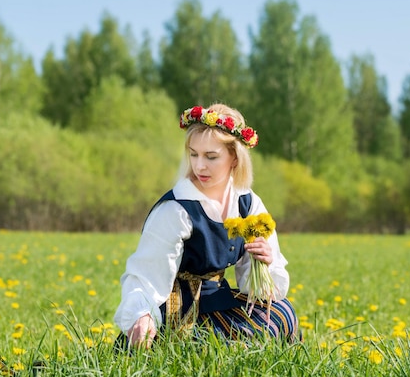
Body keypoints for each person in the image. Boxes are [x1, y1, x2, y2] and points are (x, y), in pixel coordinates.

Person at [113, 103, 300, 348]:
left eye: (211, 157)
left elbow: (253, 289)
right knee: (220, 344)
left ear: (234, 158)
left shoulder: (246, 203)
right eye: (194, 154)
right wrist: (141, 315)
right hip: (174, 311)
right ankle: (202, 353)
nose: (200, 165)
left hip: (216, 301)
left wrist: (265, 262)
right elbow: (145, 277)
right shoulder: (176, 209)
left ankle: (231, 351)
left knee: (281, 313)